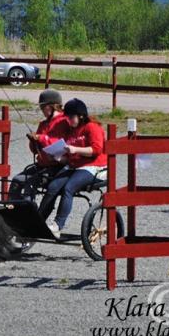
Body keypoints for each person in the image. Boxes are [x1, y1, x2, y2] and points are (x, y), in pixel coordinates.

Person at [38, 98, 107, 238]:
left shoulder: (92, 127)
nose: (68, 120)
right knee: (53, 186)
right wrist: (57, 158)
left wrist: (75, 149)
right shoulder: (72, 131)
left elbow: (96, 149)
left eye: (71, 117)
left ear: (80, 116)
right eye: (67, 117)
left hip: (94, 166)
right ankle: (38, 221)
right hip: (74, 166)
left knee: (68, 187)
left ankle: (57, 225)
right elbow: (69, 156)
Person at [8, 88, 69, 200]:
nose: (41, 110)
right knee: (16, 180)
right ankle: (12, 210)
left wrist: (41, 138)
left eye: (43, 107)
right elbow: (36, 150)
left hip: (57, 167)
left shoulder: (64, 121)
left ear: (52, 106)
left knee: (29, 184)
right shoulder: (43, 123)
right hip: (42, 165)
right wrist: (33, 141)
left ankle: (29, 213)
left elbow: (60, 143)